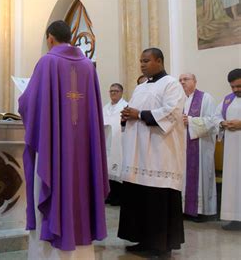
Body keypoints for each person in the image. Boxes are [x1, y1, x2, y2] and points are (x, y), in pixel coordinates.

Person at [18, 20, 108, 258]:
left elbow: (29, 103)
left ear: (50, 38)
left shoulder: (47, 62)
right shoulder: (88, 66)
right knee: (81, 190)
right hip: (82, 150)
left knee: (50, 187)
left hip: (53, 148)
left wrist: (21, 101)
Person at [118, 48, 186, 257]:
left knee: (158, 198)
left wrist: (139, 114)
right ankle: (144, 240)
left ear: (159, 61)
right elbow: (134, 112)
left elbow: (172, 112)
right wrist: (127, 114)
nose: (142, 64)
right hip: (139, 153)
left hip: (160, 152)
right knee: (140, 198)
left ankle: (162, 246)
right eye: (140, 61)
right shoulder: (140, 87)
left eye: (146, 60)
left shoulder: (172, 84)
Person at [179, 73, 217, 221]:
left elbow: (213, 121)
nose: (182, 82)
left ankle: (201, 211)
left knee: (201, 177)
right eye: (180, 80)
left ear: (195, 81)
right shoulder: (179, 100)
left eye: (186, 79)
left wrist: (190, 121)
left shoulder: (206, 98)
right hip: (183, 147)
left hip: (201, 147)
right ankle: (184, 209)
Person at [214, 68, 241, 231]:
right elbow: (216, 117)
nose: (236, 90)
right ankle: (235, 217)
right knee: (233, 182)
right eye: (233, 87)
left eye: (239, 86)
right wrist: (223, 123)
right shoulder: (227, 100)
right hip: (232, 149)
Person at [103, 83, 127, 206]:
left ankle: (118, 197)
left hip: (119, 142)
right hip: (107, 140)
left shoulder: (125, 106)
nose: (113, 93)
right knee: (107, 170)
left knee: (118, 169)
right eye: (111, 91)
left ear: (121, 92)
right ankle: (109, 195)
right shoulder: (105, 107)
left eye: (115, 91)